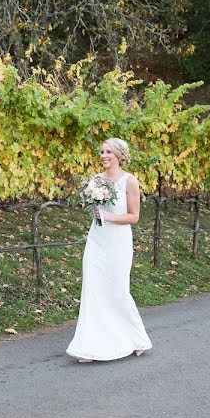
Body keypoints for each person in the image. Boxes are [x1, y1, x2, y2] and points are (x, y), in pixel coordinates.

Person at [66, 137, 152, 362]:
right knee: (92, 288)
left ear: (119, 156)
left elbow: (134, 216)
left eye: (109, 152)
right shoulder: (95, 180)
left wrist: (108, 216)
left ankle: (136, 338)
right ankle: (89, 347)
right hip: (97, 239)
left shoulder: (129, 181)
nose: (104, 156)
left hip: (118, 242)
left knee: (118, 290)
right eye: (102, 152)